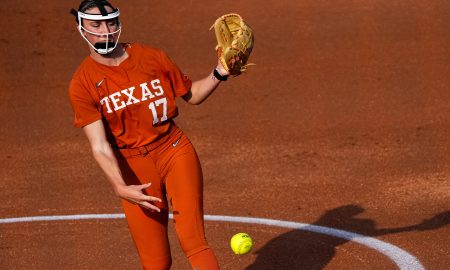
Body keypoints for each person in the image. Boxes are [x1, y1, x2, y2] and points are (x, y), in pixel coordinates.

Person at [68, 1, 229, 269]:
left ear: (118, 23)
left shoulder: (151, 57)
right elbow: (99, 146)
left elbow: (193, 96)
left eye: (110, 23)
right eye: (95, 25)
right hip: (133, 168)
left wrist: (219, 73)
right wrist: (120, 186)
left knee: (194, 243)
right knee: (156, 262)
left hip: (174, 150)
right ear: (81, 28)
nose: (105, 31)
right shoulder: (82, 83)